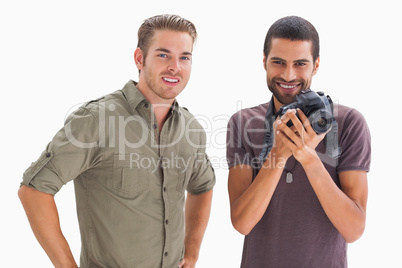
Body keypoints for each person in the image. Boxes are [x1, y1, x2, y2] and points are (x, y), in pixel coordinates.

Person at [18, 14, 215, 268]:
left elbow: (203, 186)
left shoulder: (192, 129)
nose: (175, 66)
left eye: (184, 57)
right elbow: (34, 190)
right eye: (163, 55)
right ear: (139, 59)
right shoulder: (97, 120)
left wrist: (192, 251)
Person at [226, 16, 371, 267]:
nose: (289, 74)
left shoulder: (349, 123)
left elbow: (354, 229)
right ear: (264, 62)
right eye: (278, 62)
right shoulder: (243, 123)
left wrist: (309, 158)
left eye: (300, 63)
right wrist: (278, 155)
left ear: (315, 65)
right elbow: (242, 222)